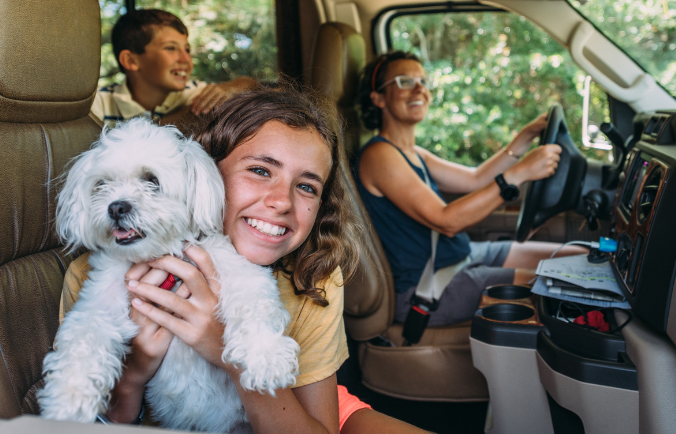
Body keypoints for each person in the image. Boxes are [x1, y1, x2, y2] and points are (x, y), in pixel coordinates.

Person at [60, 84, 431, 433]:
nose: (282, 201)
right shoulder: (98, 271)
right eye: (259, 170)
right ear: (208, 171)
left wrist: (228, 353)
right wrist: (134, 372)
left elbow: (317, 423)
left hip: (295, 404)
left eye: (305, 186)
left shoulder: (313, 274)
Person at [355, 51, 586, 326]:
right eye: (405, 81)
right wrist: (520, 173)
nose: (419, 89)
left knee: (578, 258)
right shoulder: (379, 155)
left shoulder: (412, 152)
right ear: (378, 97)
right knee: (559, 281)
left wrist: (524, 137)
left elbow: (476, 178)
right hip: (428, 285)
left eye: (423, 81)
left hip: (460, 256)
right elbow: (447, 221)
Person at [91, 9, 254, 128]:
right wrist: (185, 116)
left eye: (187, 50)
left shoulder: (195, 94)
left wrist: (232, 87)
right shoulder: (99, 104)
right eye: (170, 48)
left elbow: (252, 86)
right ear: (131, 60)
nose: (187, 60)